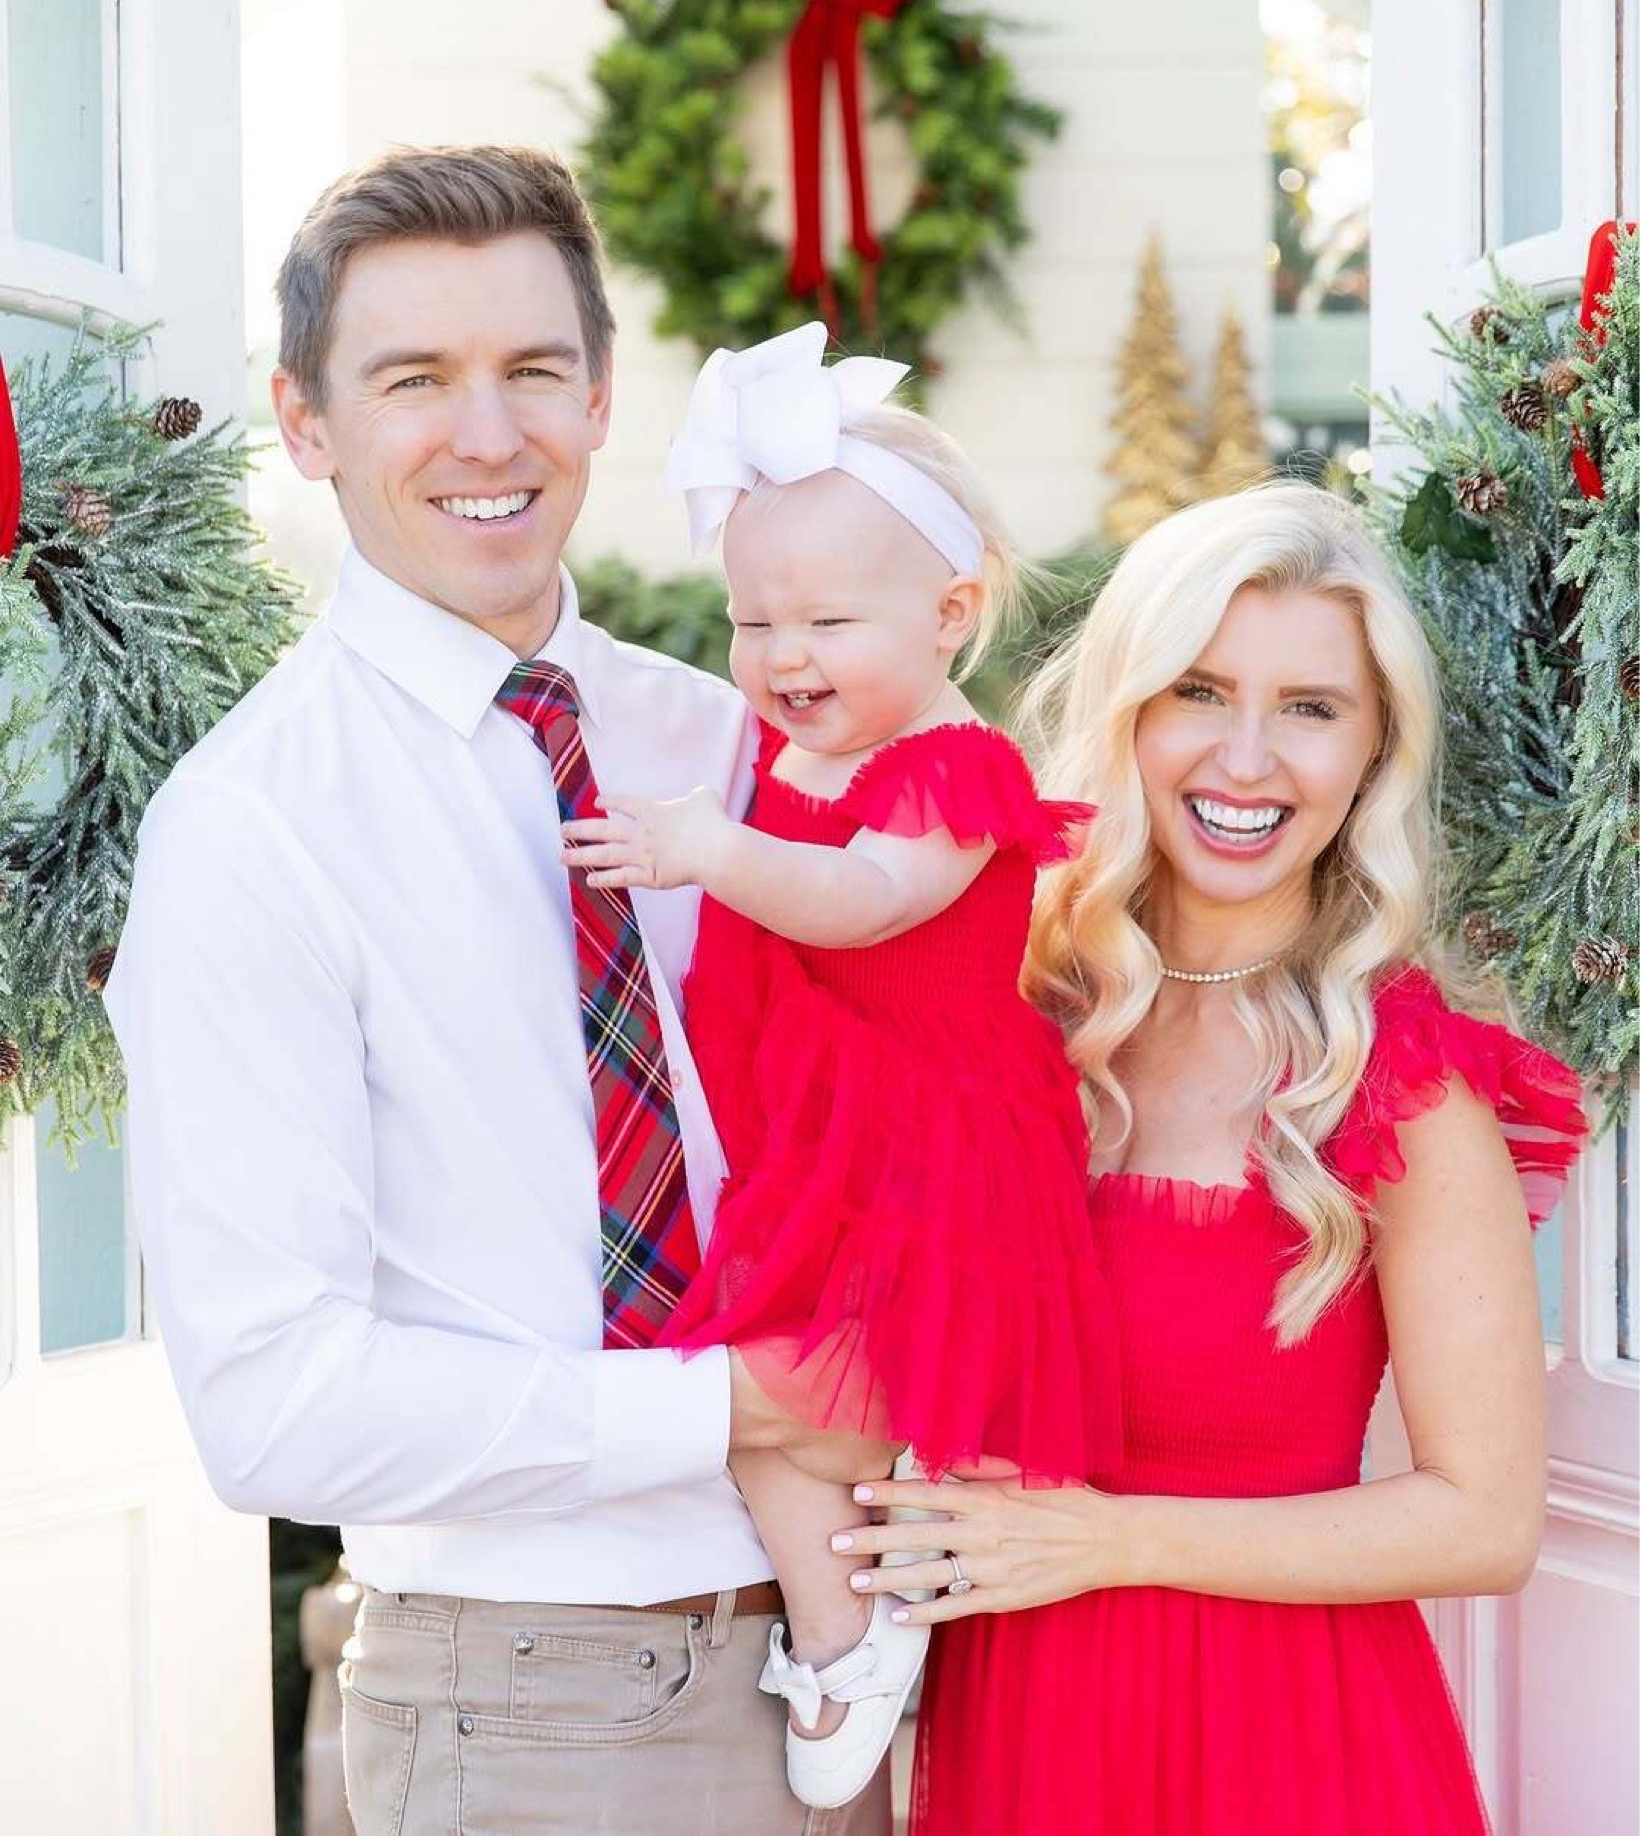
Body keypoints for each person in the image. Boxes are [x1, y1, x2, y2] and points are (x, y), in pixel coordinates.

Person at [103, 146, 890, 1836]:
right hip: (543, 1701)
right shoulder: (253, 830)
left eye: (534, 369)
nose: (488, 434)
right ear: (304, 425)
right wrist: (747, 1400)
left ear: (601, 395)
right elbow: (274, 1406)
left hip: (879, 1641)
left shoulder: (727, 741)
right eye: (413, 381)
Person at [831, 482, 1587, 1835]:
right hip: (1021, 1734)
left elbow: (1486, 1520)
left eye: (1311, 708)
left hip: (1292, 1751)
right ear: (1126, 712)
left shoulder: (1402, 1081)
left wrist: (1105, 1541)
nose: (1248, 758)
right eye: (1198, 690)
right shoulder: (1003, 1004)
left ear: (1373, 754)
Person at [562, 322, 1123, 1810]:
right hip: (819, 1156)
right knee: (765, 1426)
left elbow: (864, 902)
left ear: (949, 614)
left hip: (926, 1156)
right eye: (752, 622)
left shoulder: (951, 770)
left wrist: (704, 846)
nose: (779, 659)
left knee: (811, 1409)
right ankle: (855, 1626)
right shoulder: (792, 761)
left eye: (824, 624)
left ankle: (852, 1634)